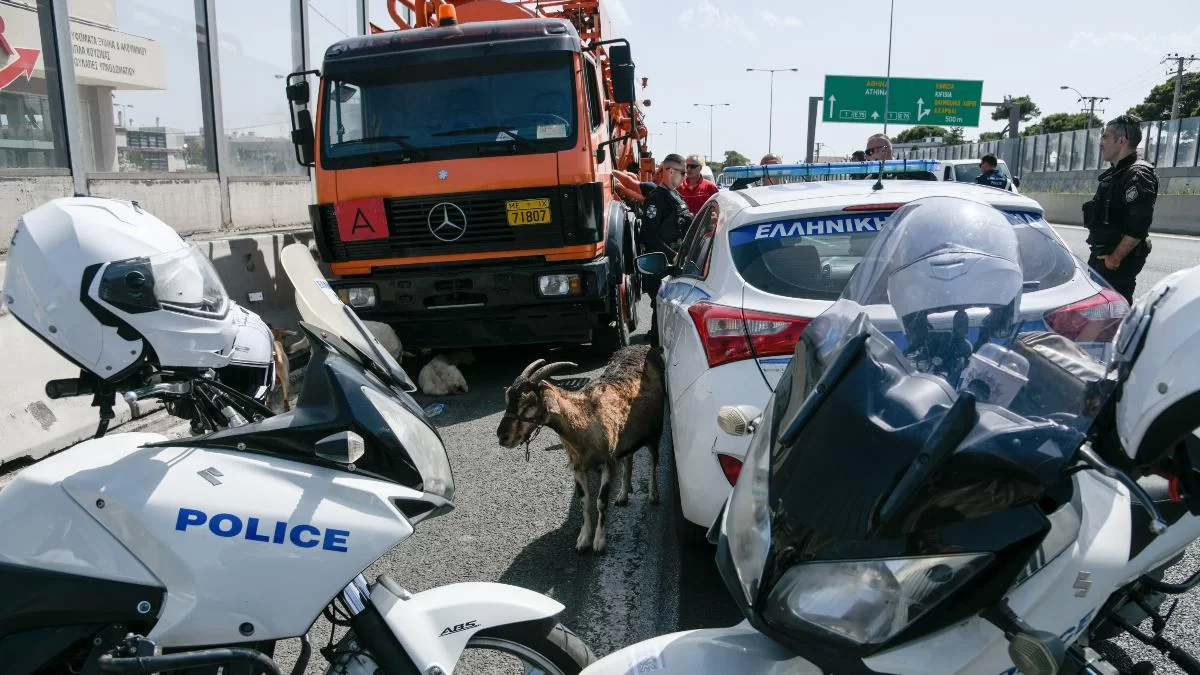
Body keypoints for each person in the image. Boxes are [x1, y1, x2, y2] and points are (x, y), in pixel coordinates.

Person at [613, 154, 692, 346]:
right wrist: (672, 255)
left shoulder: (675, 196)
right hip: (662, 266)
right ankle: (657, 354)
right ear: (670, 171)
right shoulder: (657, 199)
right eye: (683, 173)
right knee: (662, 314)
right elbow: (649, 235)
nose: (685, 177)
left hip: (675, 264)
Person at [1082, 114, 1157, 303]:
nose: (1101, 143)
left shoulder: (1137, 175)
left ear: (1122, 140)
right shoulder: (1115, 174)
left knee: (1113, 317)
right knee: (1100, 316)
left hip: (1116, 265)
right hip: (1102, 260)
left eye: (1105, 137)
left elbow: (1139, 225)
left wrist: (1115, 258)